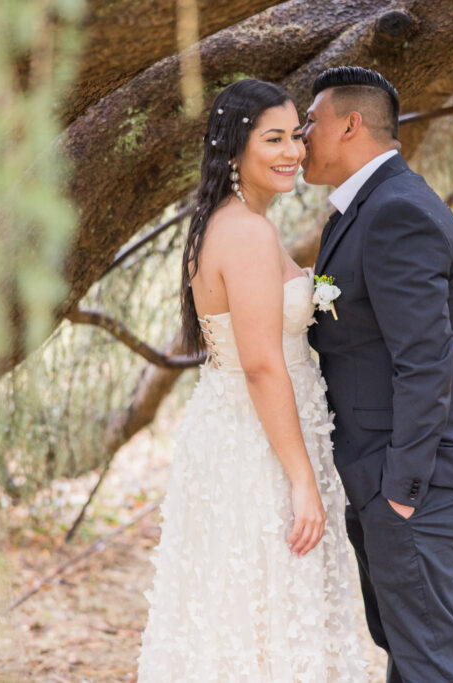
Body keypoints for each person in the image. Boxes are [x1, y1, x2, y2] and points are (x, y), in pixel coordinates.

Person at [137, 78, 364, 682]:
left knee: (247, 612)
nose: (292, 150)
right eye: (274, 138)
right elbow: (262, 363)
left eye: (296, 135)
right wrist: (302, 481)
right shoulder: (245, 231)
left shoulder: (231, 221)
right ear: (236, 147)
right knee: (264, 606)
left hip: (248, 431)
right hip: (258, 446)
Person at [303, 66, 453, 682]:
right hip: (387, 473)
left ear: (349, 124)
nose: (301, 135)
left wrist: (400, 491)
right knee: (411, 650)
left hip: (416, 481)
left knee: (433, 660)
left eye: (310, 122)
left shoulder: (396, 212)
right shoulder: (364, 208)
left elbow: (426, 362)